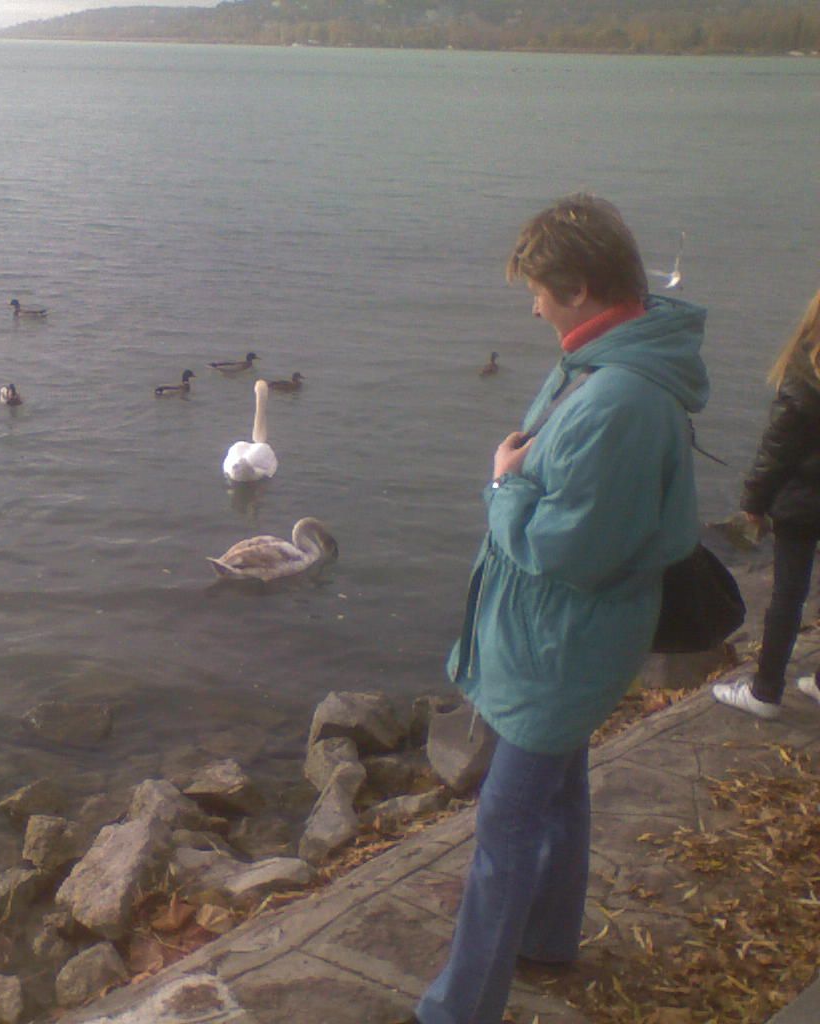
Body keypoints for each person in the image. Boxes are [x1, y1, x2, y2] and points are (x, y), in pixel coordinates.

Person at [414, 194, 709, 1024]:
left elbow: (571, 549)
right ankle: (548, 937)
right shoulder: (603, 362)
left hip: (560, 645)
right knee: (562, 789)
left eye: (540, 291)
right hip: (566, 639)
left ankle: (460, 1008)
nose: (534, 308)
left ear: (579, 287)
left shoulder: (619, 399)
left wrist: (503, 486)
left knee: (504, 826)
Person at [712, 287, 820, 719]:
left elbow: (777, 449)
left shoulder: (805, 372)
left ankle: (765, 691)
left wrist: (752, 503)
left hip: (802, 501)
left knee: (788, 595)